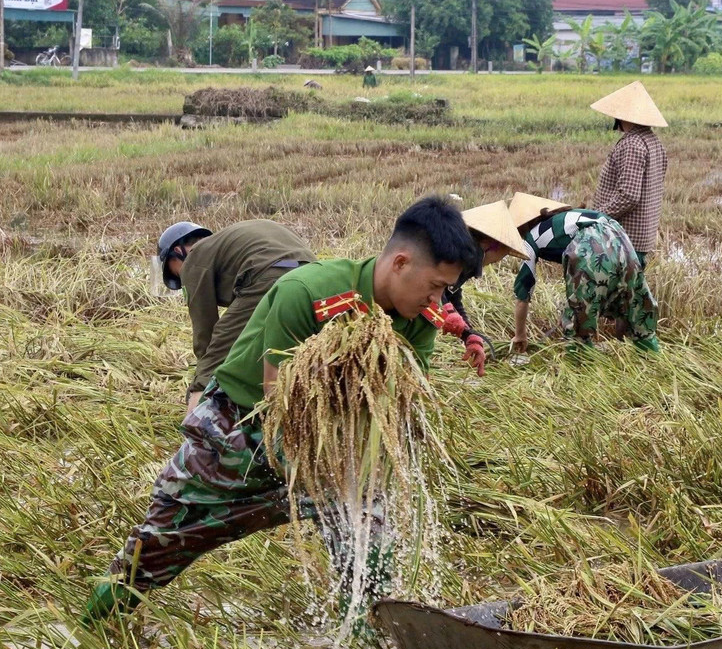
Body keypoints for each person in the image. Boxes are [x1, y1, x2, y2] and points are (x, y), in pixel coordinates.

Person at [84, 197, 482, 623]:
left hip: (332, 443)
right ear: (401, 263)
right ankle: (88, 630)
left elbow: (397, 397)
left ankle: (372, 642)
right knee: (156, 547)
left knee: (368, 545)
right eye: (436, 286)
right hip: (238, 429)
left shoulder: (419, 317)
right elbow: (280, 405)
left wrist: (361, 470)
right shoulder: (309, 293)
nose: (439, 300)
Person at [156, 220, 316, 413]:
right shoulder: (227, 244)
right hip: (309, 276)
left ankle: (194, 429)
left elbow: (204, 329)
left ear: (177, 251)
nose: (180, 277)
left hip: (270, 274)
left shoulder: (194, 256)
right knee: (288, 347)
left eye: (173, 271)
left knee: (217, 349)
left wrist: (204, 372)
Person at [507, 192, 659, 354]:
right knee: (637, 306)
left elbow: (523, 295)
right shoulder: (572, 216)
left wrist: (520, 335)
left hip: (590, 245)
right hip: (621, 238)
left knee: (578, 327)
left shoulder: (531, 238)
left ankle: (579, 367)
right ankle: (652, 360)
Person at [433, 201, 530, 375]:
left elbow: (453, 296)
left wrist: (470, 337)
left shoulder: (468, 258)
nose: (499, 260)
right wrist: (445, 308)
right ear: (490, 244)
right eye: (504, 252)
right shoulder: (457, 253)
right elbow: (432, 285)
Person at [590, 81, 668, 270]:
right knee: (630, 294)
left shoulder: (632, 144)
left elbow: (629, 195)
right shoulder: (653, 142)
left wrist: (597, 217)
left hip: (622, 239)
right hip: (638, 237)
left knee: (615, 295)